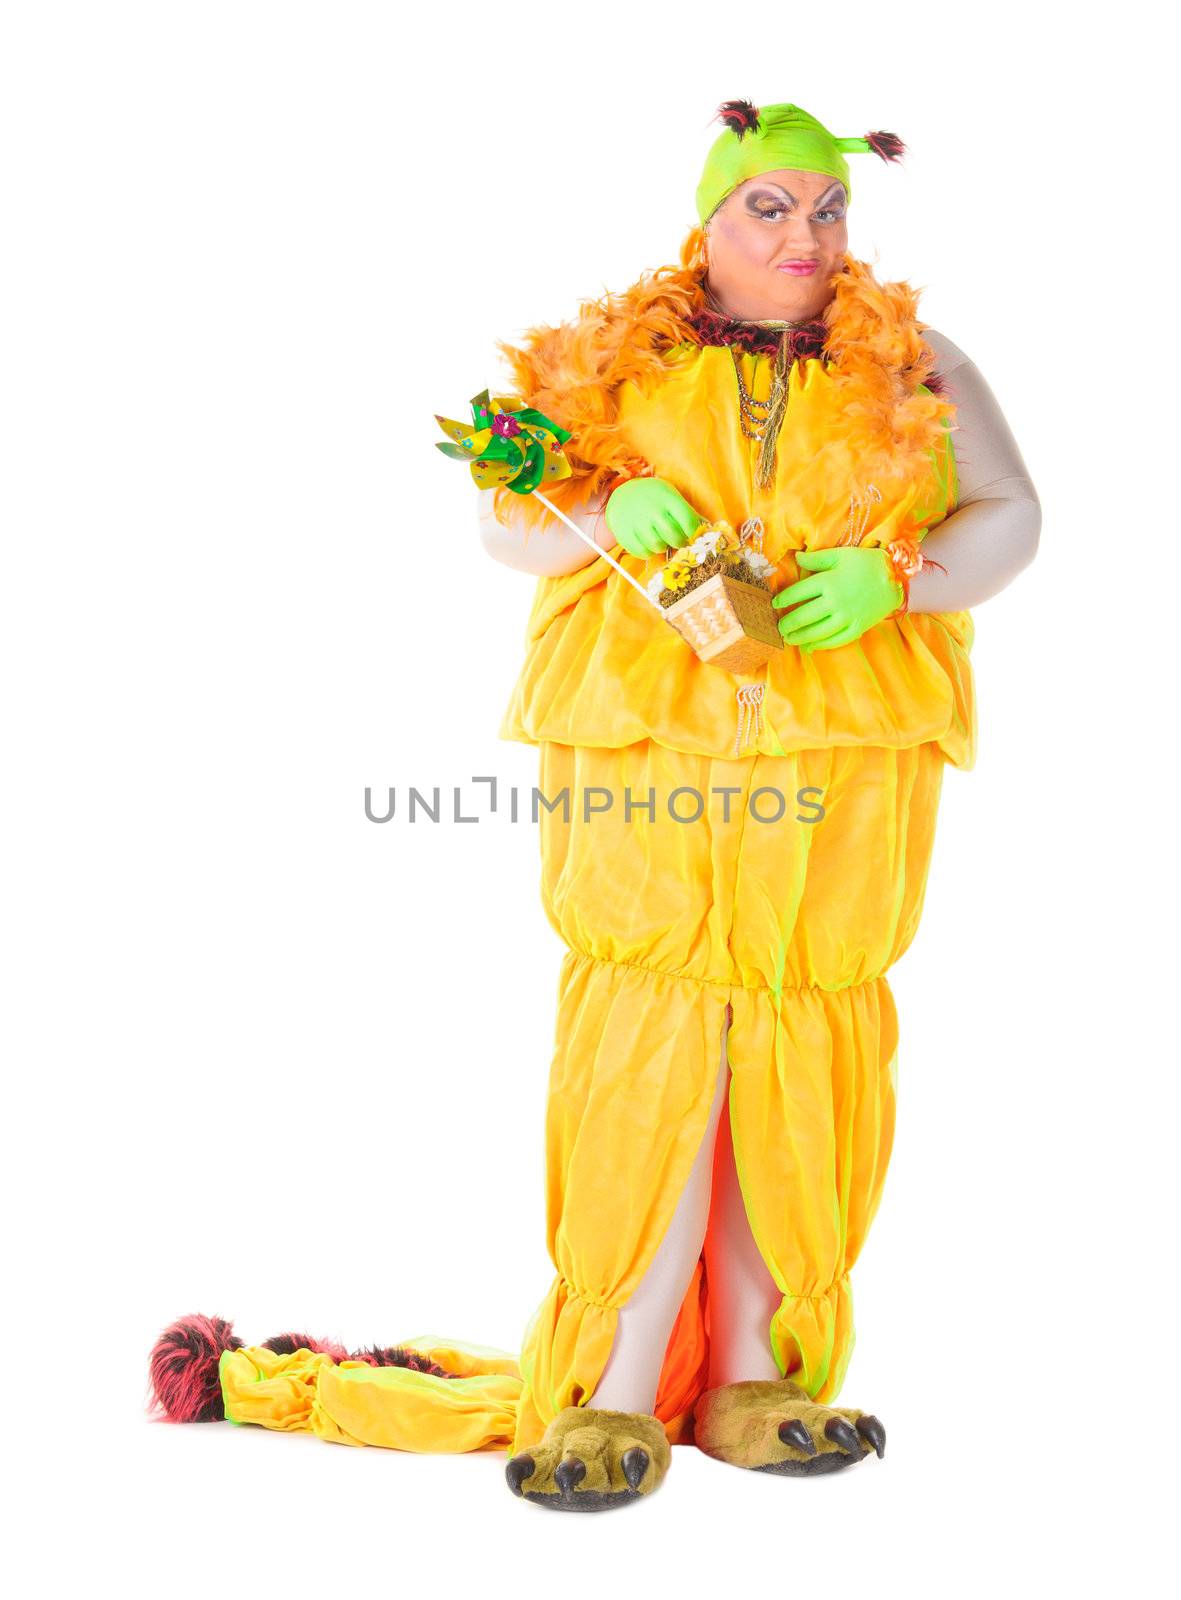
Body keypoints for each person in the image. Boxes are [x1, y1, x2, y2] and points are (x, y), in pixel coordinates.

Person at [148, 100, 1039, 1511]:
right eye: (769, 206)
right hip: (647, 748)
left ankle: (757, 1376)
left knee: (799, 1054)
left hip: (842, 758)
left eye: (827, 209)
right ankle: (613, 1393)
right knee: (653, 1047)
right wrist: (605, 499)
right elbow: (507, 518)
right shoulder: (613, 363)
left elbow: (1008, 515)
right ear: (706, 216)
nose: (803, 235)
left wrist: (900, 579)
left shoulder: (918, 363)